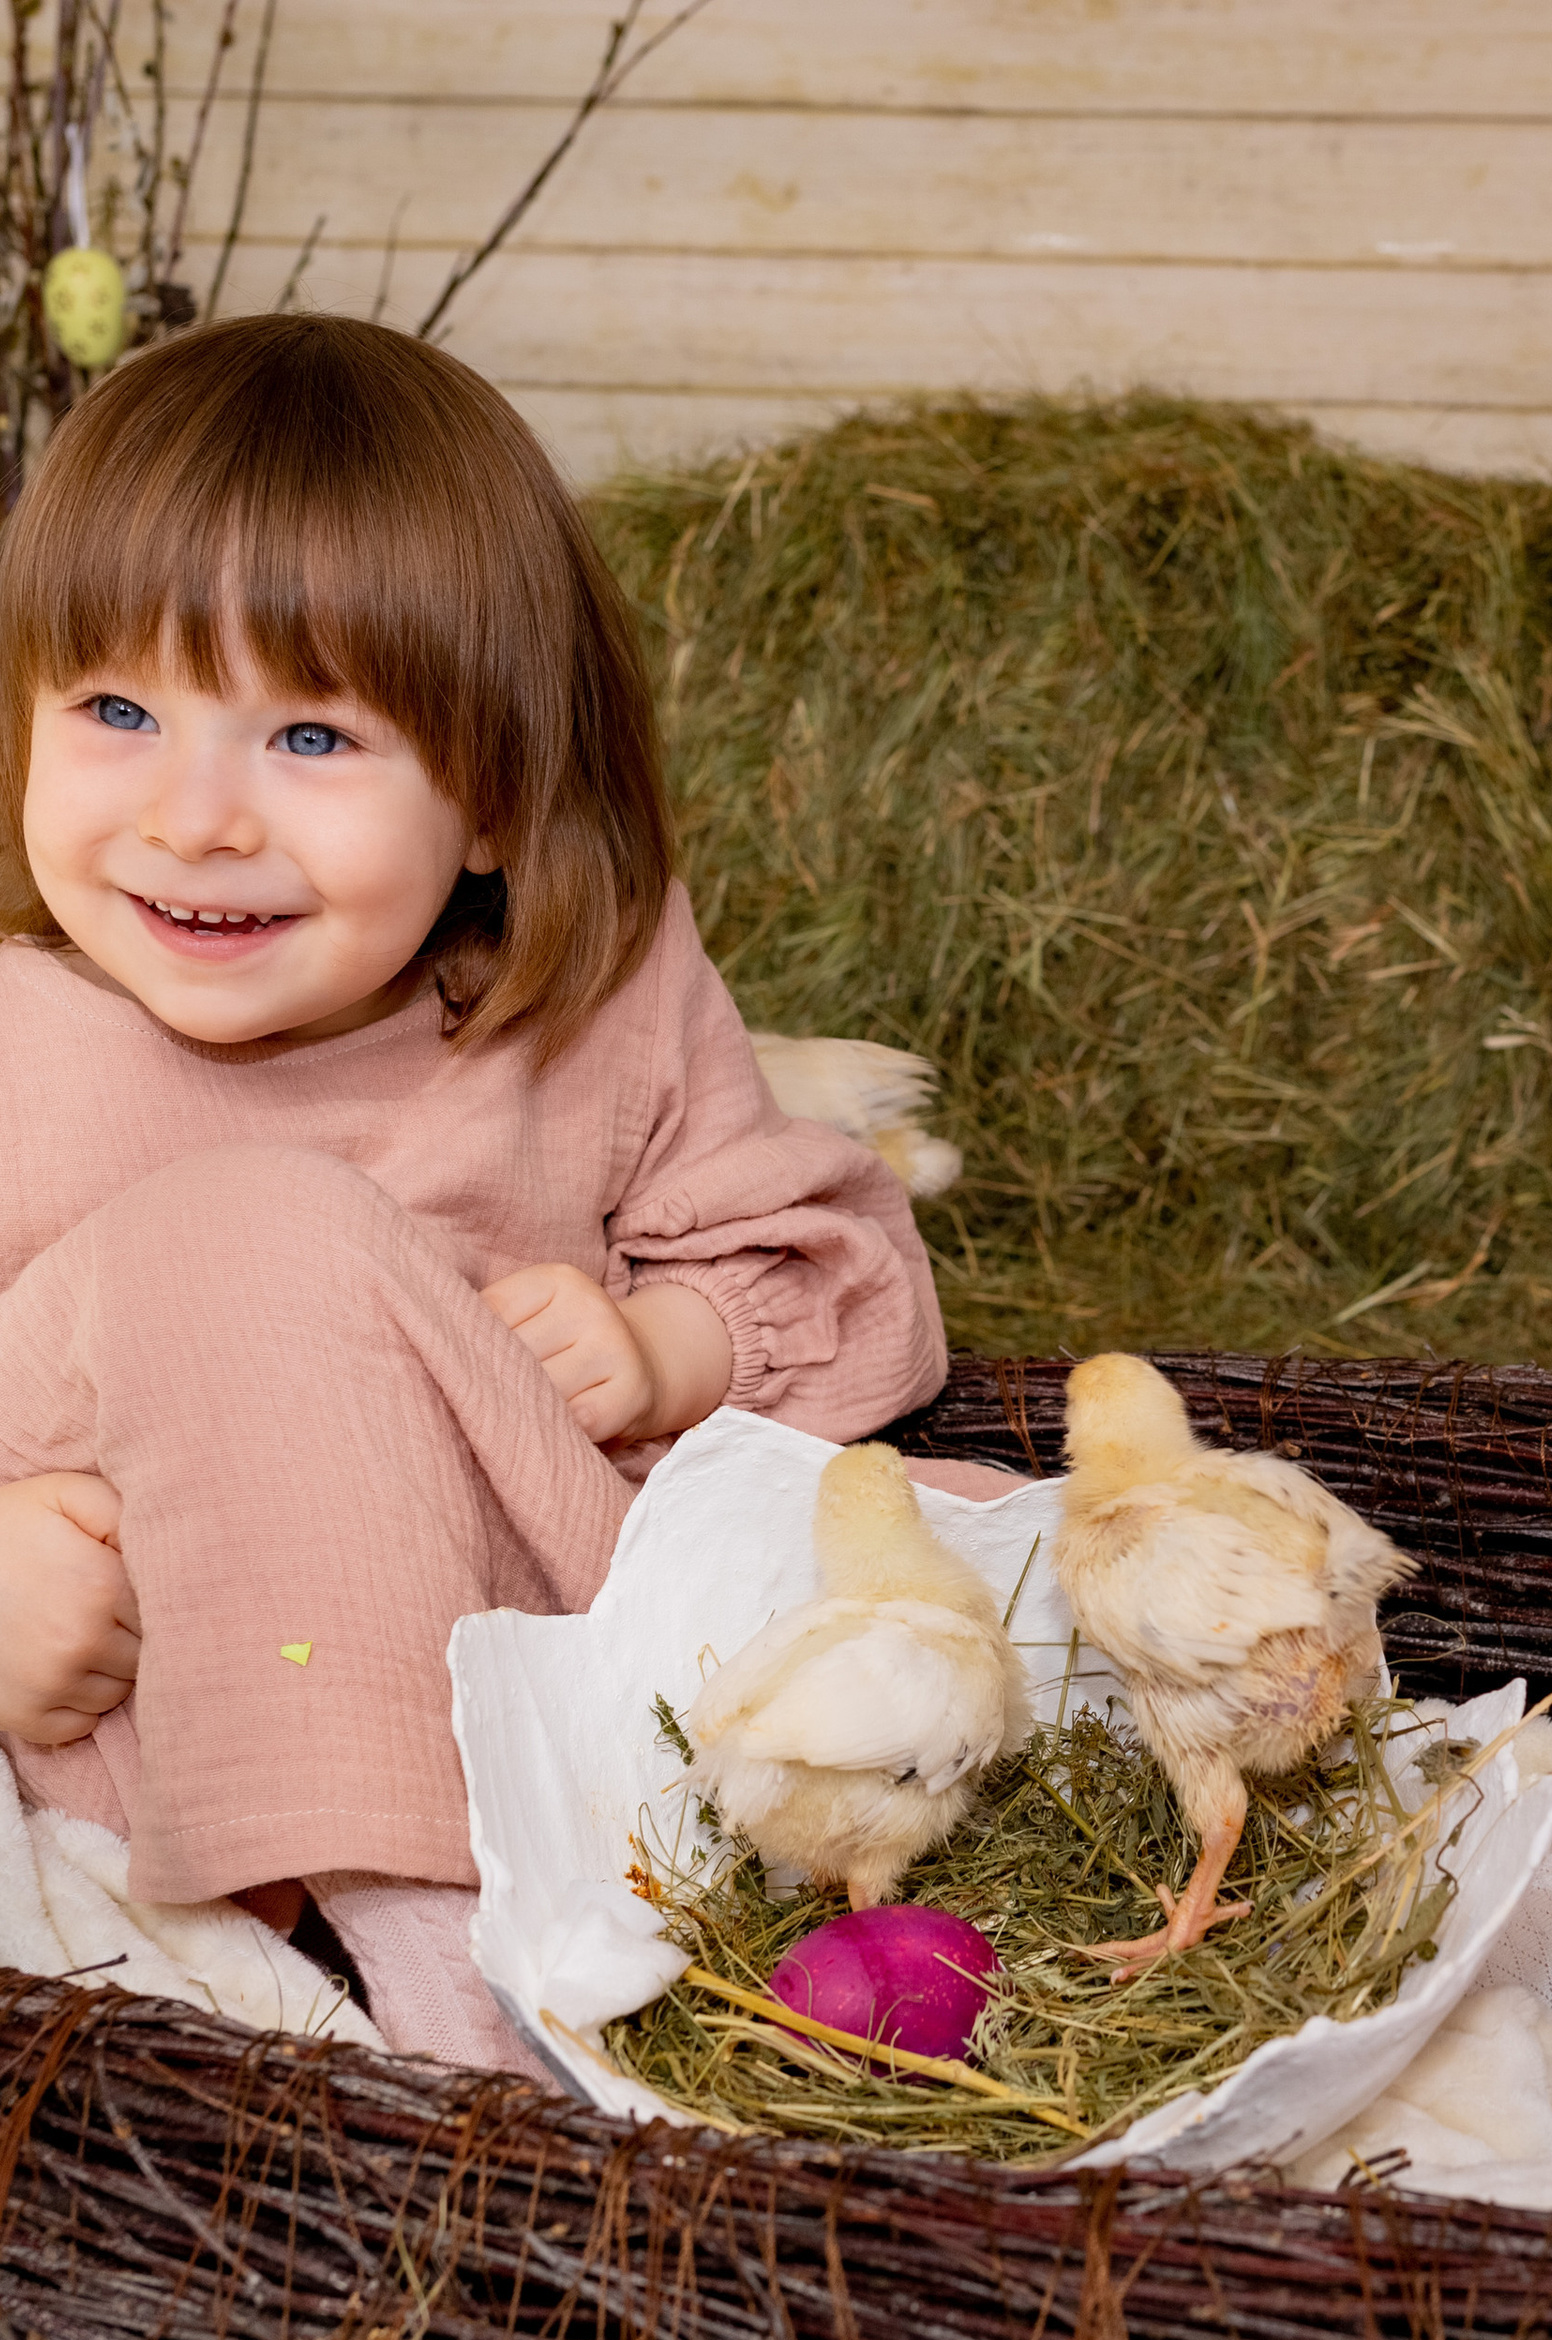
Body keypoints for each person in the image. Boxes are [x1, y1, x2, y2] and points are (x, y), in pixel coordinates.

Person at [0, 314, 953, 2072]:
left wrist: (664, 1348)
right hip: (149, 1710)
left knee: (1006, 1587)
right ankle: (458, 2019)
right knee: (252, 1234)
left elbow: (847, 1282)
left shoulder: (579, 1002)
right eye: (118, 710)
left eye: (311, 737)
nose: (195, 819)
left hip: (549, 1668)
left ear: (499, 796)